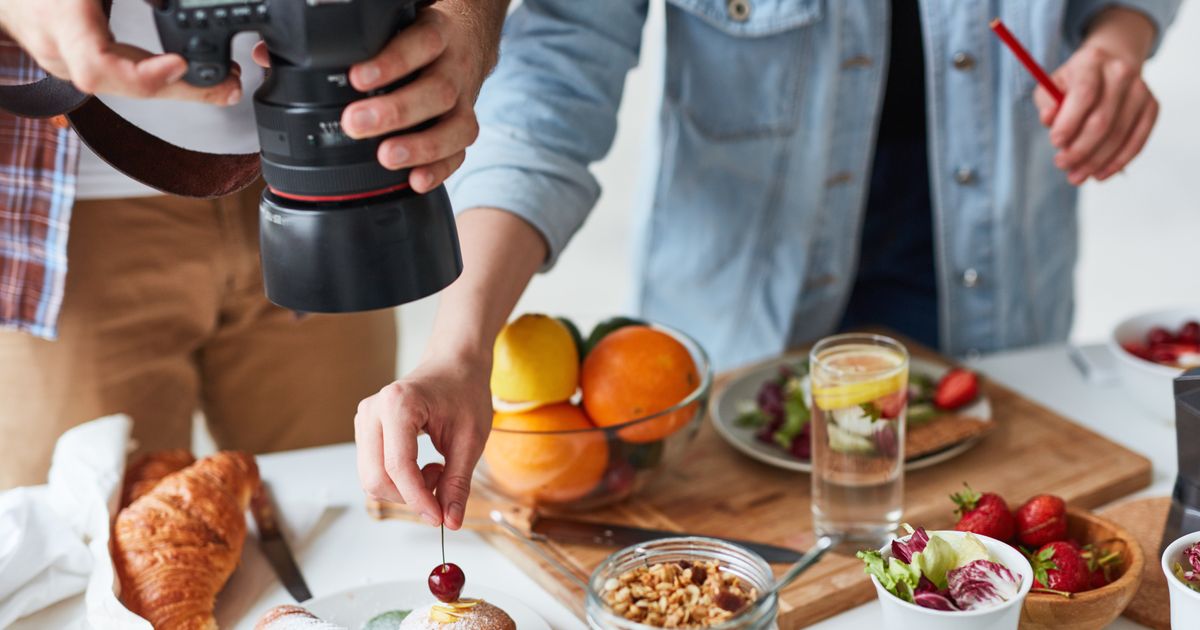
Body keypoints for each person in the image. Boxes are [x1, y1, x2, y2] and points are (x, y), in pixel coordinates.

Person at [352, 0, 1180, 530]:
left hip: (997, 308)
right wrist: (457, 351)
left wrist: (1119, 35)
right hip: (735, 340)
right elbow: (550, 96)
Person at [0, 0, 506, 489]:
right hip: (58, 213)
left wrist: (468, 15)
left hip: (343, 164)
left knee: (349, 506)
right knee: (84, 546)